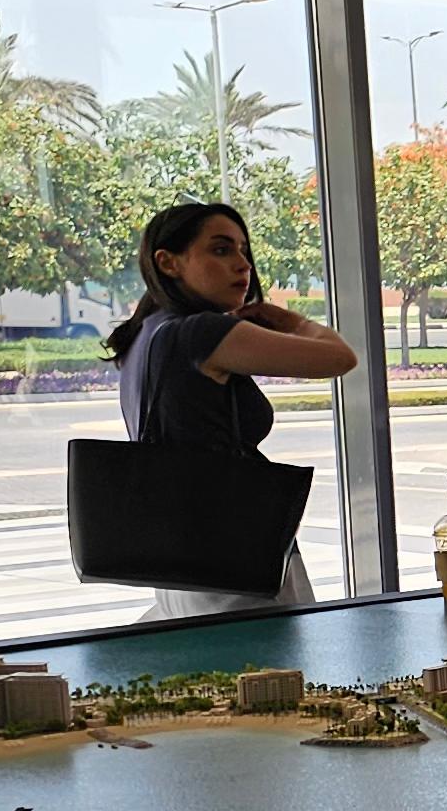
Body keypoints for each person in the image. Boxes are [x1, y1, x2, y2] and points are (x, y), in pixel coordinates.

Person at [100, 199, 355, 620]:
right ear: (168, 263)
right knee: (270, 680)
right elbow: (338, 358)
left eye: (243, 251)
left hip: (178, 558)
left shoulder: (143, 334)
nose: (242, 265)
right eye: (221, 250)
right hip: (235, 554)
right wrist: (289, 321)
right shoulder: (202, 332)